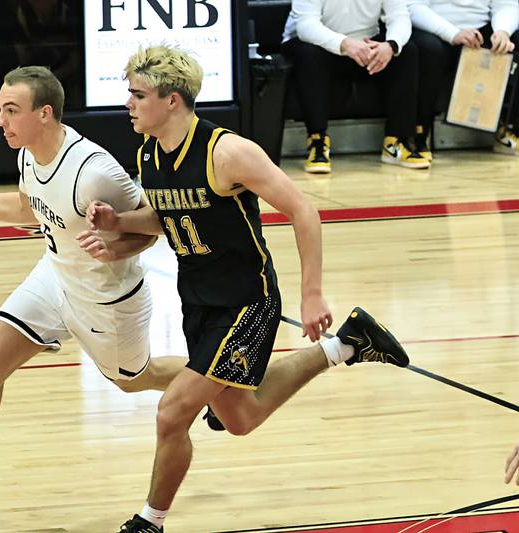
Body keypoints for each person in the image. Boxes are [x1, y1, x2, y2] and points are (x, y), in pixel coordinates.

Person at [81, 45, 410, 533]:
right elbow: (168, 214)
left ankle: (150, 521)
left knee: (173, 411)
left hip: (247, 301)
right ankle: (347, 344)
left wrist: (312, 293)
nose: (128, 104)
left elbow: (303, 209)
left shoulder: (227, 151)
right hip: (197, 300)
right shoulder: (149, 152)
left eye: (138, 95)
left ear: (172, 100)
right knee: (240, 418)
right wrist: (119, 222)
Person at [0, 65, 190, 525]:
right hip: (55, 276)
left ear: (45, 114)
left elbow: (153, 224)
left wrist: (113, 245)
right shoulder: (27, 152)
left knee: (134, 380)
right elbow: (27, 209)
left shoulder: (93, 171)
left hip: (108, 297)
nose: (1, 121)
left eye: (11, 111)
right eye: (0, 109)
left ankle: (216, 380)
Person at [281, 0, 430, 173]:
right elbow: (306, 26)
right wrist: (344, 43)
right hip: (315, 42)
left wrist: (390, 45)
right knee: (308, 53)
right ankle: (317, 142)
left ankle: (396, 142)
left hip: (365, 43)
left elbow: (400, 17)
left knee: (406, 51)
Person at [407, 0, 519, 158]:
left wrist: (503, 31)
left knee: (512, 40)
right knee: (428, 49)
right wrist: (453, 33)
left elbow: (506, 4)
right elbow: (412, 7)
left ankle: (509, 129)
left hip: (483, 29)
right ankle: (418, 135)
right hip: (435, 28)